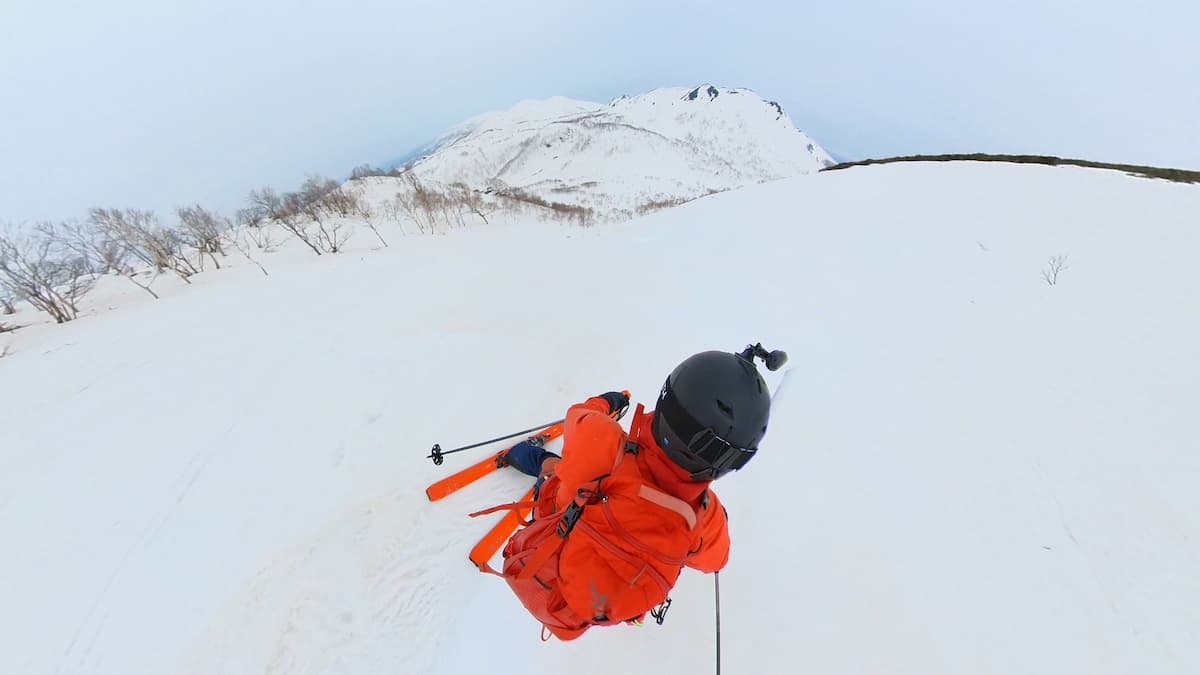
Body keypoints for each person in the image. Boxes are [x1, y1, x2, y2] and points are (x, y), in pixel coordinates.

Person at [487, 345, 779, 640]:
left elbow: (579, 414)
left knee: (558, 474)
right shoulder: (703, 519)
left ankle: (526, 457)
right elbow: (717, 560)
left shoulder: (601, 440)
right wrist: (711, 516)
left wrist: (608, 402)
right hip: (591, 605)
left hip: (550, 535)